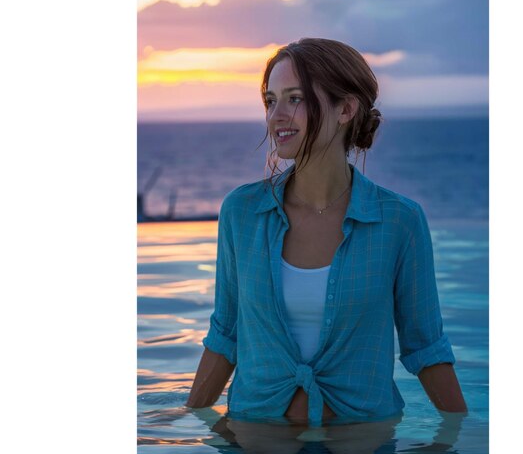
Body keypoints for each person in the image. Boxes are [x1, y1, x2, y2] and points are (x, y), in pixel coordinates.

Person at [186, 38, 467, 427]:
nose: (276, 116)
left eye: (295, 98)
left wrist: (465, 440)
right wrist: (183, 427)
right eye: (271, 101)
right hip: (258, 452)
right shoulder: (242, 213)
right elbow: (225, 336)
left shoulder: (399, 222)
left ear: (346, 109)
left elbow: (426, 348)